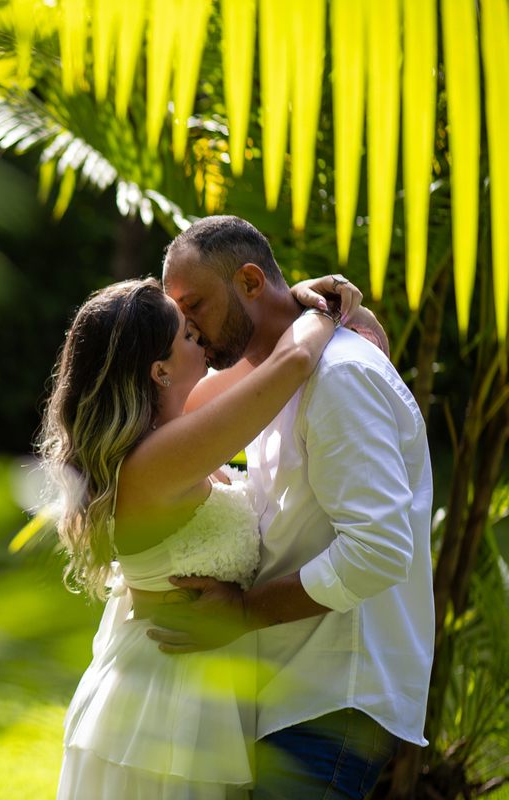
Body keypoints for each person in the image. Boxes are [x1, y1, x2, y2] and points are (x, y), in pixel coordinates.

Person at [43, 267, 376, 799]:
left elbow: (263, 360)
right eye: (189, 335)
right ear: (160, 370)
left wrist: (286, 300)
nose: (204, 339)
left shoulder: (173, 429)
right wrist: (322, 310)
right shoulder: (156, 462)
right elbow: (289, 362)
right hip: (167, 704)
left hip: (194, 688)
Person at [152, 215, 433, 799]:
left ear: (251, 282)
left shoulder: (339, 376)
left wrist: (246, 611)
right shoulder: (277, 374)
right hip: (290, 688)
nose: (187, 327)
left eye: (195, 304)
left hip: (332, 691)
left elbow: (378, 550)